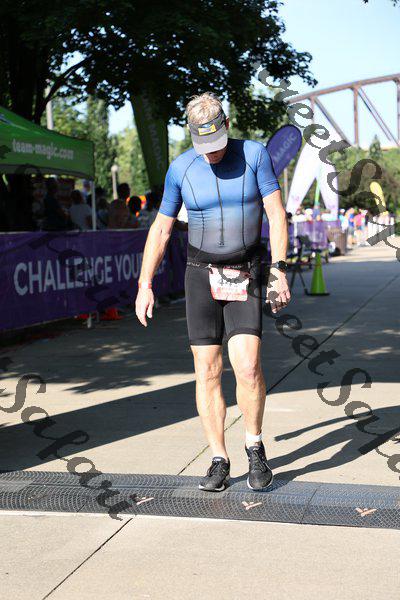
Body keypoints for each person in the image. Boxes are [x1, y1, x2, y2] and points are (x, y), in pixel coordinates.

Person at [135, 92, 290, 493]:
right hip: (200, 275)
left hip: (246, 270)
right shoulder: (181, 168)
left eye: (217, 143)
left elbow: (276, 213)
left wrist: (279, 270)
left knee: (248, 366)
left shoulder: (254, 155)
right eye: (204, 146)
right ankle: (219, 457)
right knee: (206, 370)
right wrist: (145, 283)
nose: (213, 153)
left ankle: (254, 446)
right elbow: (162, 228)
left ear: (227, 126)